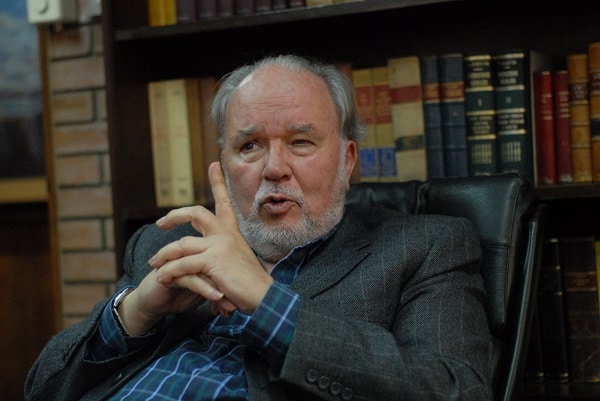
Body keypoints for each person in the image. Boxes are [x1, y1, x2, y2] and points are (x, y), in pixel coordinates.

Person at [25, 54, 492, 401]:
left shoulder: (425, 247)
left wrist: (267, 304)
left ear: (348, 161)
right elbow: (43, 387)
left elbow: (456, 390)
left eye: (301, 141)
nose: (274, 168)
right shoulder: (167, 243)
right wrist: (135, 313)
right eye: (249, 146)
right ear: (225, 166)